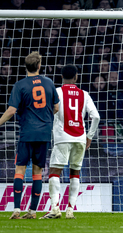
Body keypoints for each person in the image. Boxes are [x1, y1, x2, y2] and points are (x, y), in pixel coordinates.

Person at [0, 52, 59, 219]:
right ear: (39, 66)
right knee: (38, 173)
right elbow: (57, 107)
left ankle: (17, 209)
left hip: (27, 133)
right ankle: (33, 212)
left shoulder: (20, 85)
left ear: (25, 67)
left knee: (19, 170)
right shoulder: (48, 83)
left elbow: (11, 111)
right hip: (44, 133)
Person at [40, 65, 100, 219]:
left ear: (61, 77)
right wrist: (89, 136)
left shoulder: (57, 92)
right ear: (76, 77)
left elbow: (49, 113)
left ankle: (55, 208)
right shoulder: (84, 94)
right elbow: (96, 117)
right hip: (80, 137)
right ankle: (70, 210)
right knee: (75, 173)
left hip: (62, 137)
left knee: (54, 171)